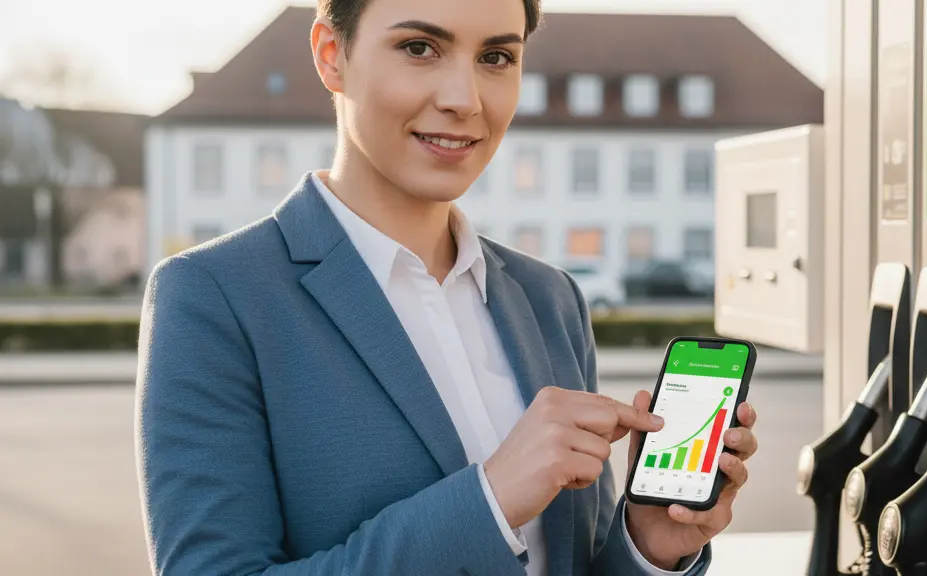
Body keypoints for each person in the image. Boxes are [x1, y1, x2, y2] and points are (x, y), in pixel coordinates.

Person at [134, 0, 760, 573]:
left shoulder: (550, 299)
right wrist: (486, 503)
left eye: (496, 57)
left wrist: (647, 546)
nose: (465, 98)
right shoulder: (214, 296)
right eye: (419, 48)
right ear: (332, 54)